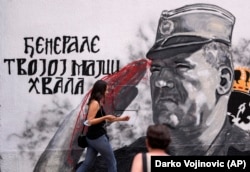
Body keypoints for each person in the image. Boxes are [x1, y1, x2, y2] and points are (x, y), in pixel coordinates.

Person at [145, 3, 250, 156]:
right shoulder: (124, 162)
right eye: (156, 69)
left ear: (223, 81)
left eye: (181, 66)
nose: (160, 81)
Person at [76, 79, 130, 172]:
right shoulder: (95, 103)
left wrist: (122, 119)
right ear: (101, 90)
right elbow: (89, 121)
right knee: (112, 163)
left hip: (92, 138)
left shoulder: (98, 102)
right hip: (98, 138)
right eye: (106, 90)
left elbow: (106, 119)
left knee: (87, 164)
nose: (107, 91)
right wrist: (106, 116)